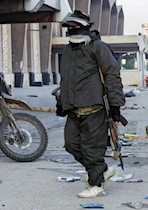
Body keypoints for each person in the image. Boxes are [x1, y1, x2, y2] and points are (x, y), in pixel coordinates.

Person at [57, 10, 125, 198]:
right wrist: (62, 102)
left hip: (95, 109)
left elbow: (112, 75)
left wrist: (115, 105)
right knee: (71, 145)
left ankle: (96, 185)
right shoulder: (68, 50)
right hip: (73, 110)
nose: (72, 30)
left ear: (86, 28)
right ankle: (102, 171)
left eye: (75, 27)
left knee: (92, 149)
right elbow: (66, 79)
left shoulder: (98, 47)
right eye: (69, 27)